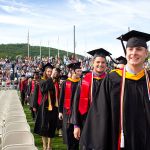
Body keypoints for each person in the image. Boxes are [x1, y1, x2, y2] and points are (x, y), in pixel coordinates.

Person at [80, 30, 150, 150]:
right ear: (126, 52)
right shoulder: (112, 80)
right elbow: (100, 114)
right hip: (118, 142)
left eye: (139, 49)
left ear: (146, 53)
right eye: (130, 49)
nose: (134, 53)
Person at [72, 48, 112, 141]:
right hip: (86, 121)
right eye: (98, 62)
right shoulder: (84, 81)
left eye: (103, 62)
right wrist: (76, 125)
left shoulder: (110, 81)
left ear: (106, 64)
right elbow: (76, 103)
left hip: (105, 122)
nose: (100, 64)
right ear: (93, 63)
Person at [33, 63, 58, 150]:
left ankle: (49, 145)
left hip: (54, 107)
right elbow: (44, 89)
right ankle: (44, 145)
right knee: (44, 127)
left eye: (51, 71)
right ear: (45, 72)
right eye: (48, 71)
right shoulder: (42, 81)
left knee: (52, 126)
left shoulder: (55, 81)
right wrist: (51, 77)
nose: (49, 73)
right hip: (44, 107)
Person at [59, 62, 82, 150]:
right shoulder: (66, 83)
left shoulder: (82, 82)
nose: (80, 73)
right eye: (78, 71)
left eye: (80, 71)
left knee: (77, 135)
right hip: (67, 112)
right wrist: (60, 111)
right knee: (69, 134)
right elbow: (61, 98)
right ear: (73, 72)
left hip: (78, 112)